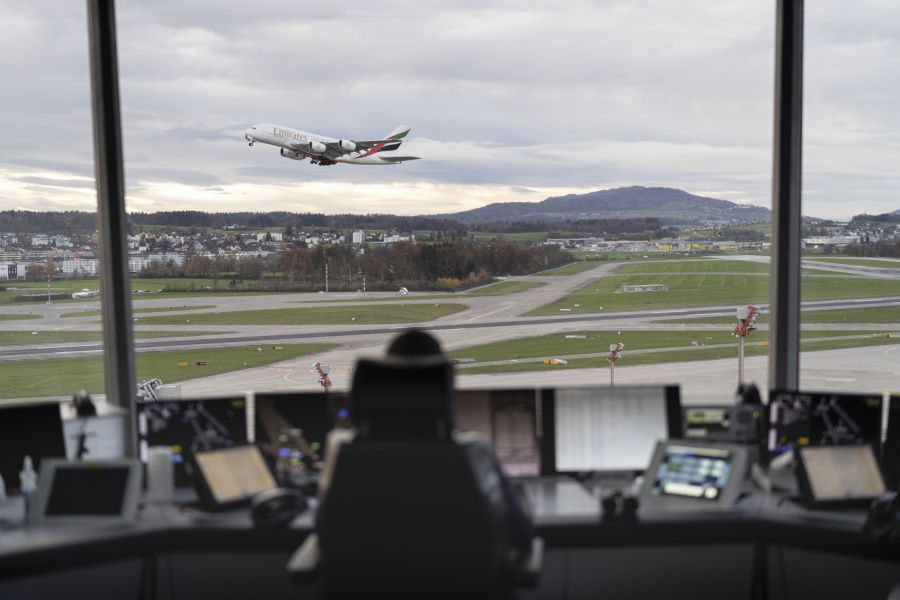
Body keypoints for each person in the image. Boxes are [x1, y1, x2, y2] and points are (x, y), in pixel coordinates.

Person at [318, 329, 534, 558]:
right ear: (445, 389)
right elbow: (522, 535)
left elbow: (324, 533)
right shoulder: (474, 453)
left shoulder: (346, 455)